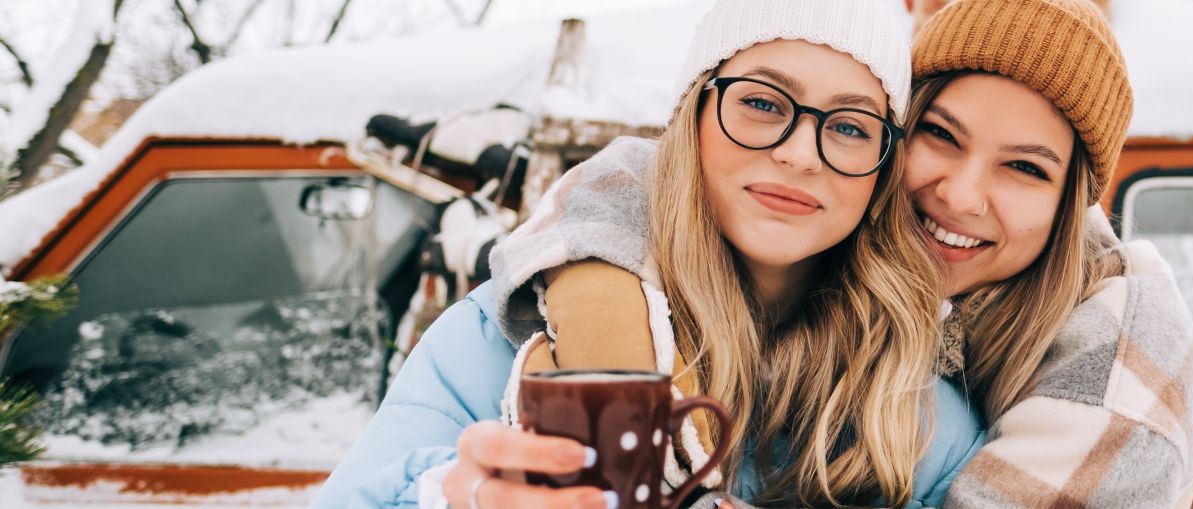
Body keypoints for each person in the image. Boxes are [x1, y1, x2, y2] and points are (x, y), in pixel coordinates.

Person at [489, 0, 1193, 507]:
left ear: (1073, 209)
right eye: (939, 135)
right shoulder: (851, 290)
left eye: (1026, 167)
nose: (963, 194)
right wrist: (604, 313)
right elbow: (654, 178)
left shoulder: (1116, 362)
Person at [311, 1, 984, 508]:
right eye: (759, 102)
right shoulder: (497, 337)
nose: (799, 153)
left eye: (847, 126)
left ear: (882, 164)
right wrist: (446, 494)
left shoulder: (918, 411)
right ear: (691, 118)